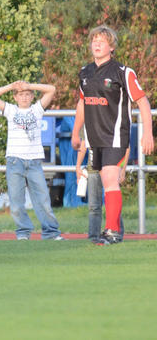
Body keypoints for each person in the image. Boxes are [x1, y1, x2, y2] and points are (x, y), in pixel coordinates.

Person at [71, 25, 153, 244]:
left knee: (109, 179)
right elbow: (82, 103)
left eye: (102, 41)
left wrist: (147, 133)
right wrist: (76, 132)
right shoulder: (85, 72)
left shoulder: (123, 72)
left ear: (112, 46)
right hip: (94, 139)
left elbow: (143, 102)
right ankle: (112, 230)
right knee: (106, 185)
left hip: (115, 137)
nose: (97, 44)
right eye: (94, 40)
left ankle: (112, 232)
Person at [0, 80, 62, 240]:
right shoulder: (11, 110)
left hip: (34, 161)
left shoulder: (37, 109)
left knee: (43, 199)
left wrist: (29, 86)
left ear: (33, 96)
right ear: (15, 97)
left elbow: (51, 89)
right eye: (21, 95)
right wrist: (11, 87)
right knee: (16, 202)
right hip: (15, 161)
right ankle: (23, 232)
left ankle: (51, 232)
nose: (24, 97)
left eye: (27, 94)